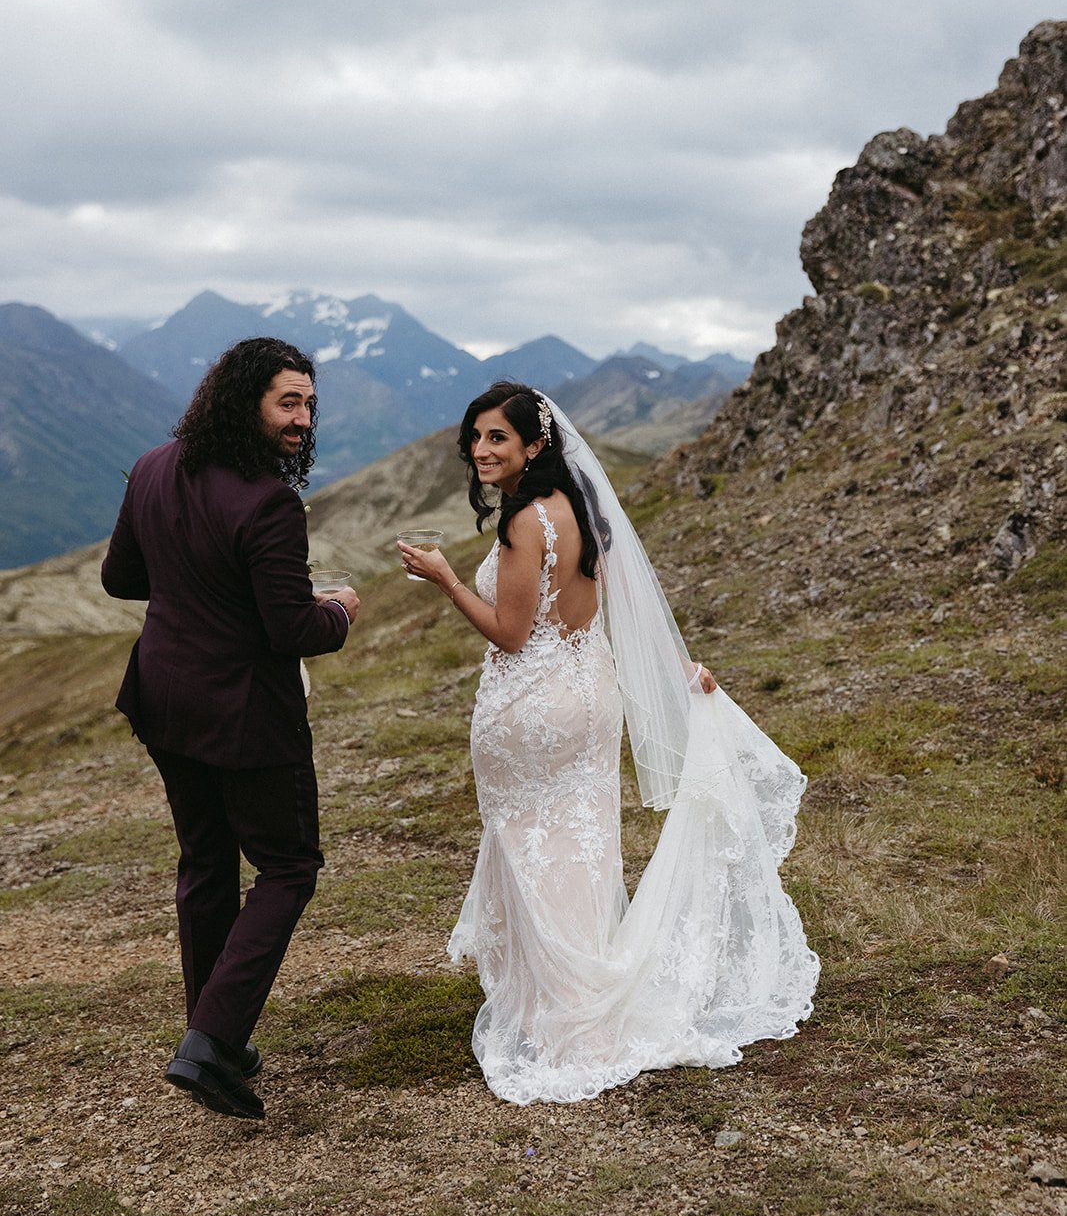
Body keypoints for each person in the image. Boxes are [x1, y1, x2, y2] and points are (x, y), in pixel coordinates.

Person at [398, 381, 818, 1105]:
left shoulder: (527, 520)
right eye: (475, 437)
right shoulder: (582, 510)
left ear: (535, 444)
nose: (481, 450)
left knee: (534, 846)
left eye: (497, 437)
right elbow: (611, 609)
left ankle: (567, 1016)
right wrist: (671, 669)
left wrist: (442, 577)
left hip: (534, 709)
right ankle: (577, 995)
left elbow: (510, 632)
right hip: (592, 698)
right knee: (577, 847)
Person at [101, 337, 360, 1120]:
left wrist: (192, 585)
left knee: (207, 864)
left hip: (165, 698)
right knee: (288, 867)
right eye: (288, 402)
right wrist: (340, 610)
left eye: (310, 404)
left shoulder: (152, 465)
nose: (302, 418)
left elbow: (122, 577)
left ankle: (211, 1028)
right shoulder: (267, 502)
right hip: (245, 715)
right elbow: (292, 631)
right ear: (244, 397)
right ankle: (211, 1041)